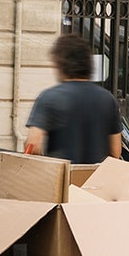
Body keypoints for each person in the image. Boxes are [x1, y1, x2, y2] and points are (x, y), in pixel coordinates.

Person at [24, 33, 122, 163]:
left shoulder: (50, 98)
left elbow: (33, 146)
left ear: (60, 64)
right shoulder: (108, 99)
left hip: (62, 178)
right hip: (95, 179)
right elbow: (115, 151)